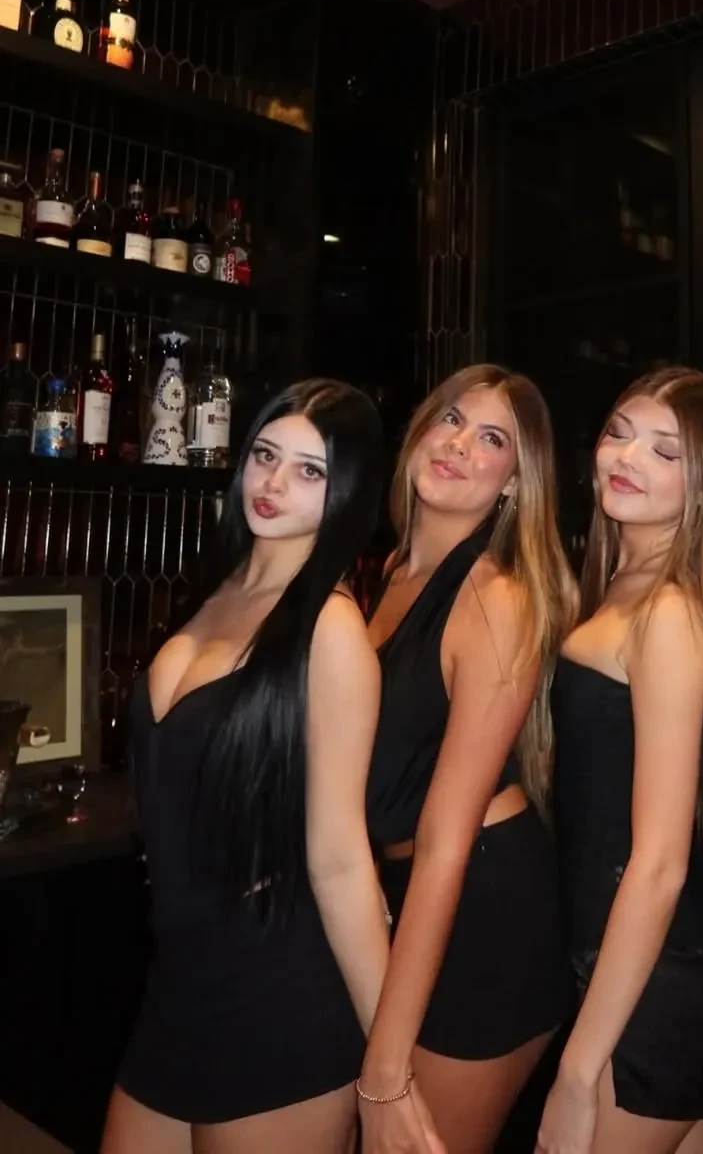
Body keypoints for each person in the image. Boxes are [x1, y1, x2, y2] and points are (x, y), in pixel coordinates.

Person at [102, 379, 388, 1154]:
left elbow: (340, 860)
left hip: (277, 989)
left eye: (309, 470)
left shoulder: (330, 628)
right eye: (265, 455)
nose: (273, 482)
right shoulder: (220, 586)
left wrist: (390, 1064)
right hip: (180, 977)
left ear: (346, 492)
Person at [359, 364, 578, 1154]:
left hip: (484, 915)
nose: (458, 444)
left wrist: (386, 1065)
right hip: (407, 893)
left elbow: (446, 841)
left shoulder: (495, 598)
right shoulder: (392, 573)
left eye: (491, 440)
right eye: (451, 419)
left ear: (516, 482)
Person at [540, 368, 703, 1154]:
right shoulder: (623, 587)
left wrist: (578, 1069)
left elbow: (660, 862)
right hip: (652, 971)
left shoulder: (669, 611)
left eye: (666, 451)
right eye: (618, 433)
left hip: (654, 981)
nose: (626, 457)